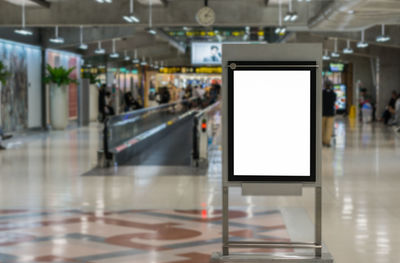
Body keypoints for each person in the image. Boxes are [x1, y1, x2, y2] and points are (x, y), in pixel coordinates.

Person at [322, 81, 337, 147]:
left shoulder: (322, 93)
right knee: (329, 128)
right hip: (330, 113)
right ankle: (327, 142)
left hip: (322, 113)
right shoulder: (333, 94)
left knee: (322, 127)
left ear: (325, 85)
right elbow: (333, 102)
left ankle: (322, 141)